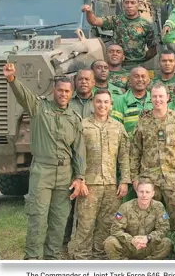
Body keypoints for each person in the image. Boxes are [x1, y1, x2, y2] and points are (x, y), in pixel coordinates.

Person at [3, 62, 87, 260]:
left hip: (65, 174)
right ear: (53, 91)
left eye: (67, 91)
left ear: (71, 93)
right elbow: (23, 96)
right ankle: (32, 260)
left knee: (59, 220)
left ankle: (52, 260)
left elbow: (79, 151)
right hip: (42, 171)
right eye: (60, 91)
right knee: (37, 218)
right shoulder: (39, 108)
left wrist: (80, 176)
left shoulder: (74, 118)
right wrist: (11, 79)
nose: (63, 94)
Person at [68, 89, 130, 260]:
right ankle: (82, 257)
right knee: (85, 224)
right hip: (89, 184)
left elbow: (124, 157)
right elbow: (75, 155)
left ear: (111, 105)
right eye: (99, 101)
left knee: (106, 224)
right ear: (93, 104)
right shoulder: (82, 126)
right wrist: (79, 180)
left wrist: (124, 181)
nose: (102, 105)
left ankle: (100, 258)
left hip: (111, 186)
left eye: (106, 102)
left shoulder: (118, 127)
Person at [131, 84, 175, 231]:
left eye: (161, 96)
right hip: (148, 177)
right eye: (154, 96)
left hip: (172, 177)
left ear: (167, 97)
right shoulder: (143, 121)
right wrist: (134, 176)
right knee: (148, 218)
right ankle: (153, 247)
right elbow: (135, 149)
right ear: (150, 98)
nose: (157, 99)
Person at [103, 178, 172, 260]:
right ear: (137, 192)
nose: (144, 195)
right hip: (129, 246)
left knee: (166, 242)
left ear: (152, 193)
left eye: (147, 192)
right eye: (141, 192)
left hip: (148, 246)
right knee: (110, 242)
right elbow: (115, 229)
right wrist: (131, 240)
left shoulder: (158, 207)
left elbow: (164, 228)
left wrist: (148, 238)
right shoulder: (125, 207)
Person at [82, 0, 157, 68]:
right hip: (118, 66)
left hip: (138, 65)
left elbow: (152, 49)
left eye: (133, 3)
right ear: (123, 5)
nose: (129, 6)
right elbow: (94, 21)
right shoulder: (116, 20)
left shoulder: (146, 25)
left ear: (138, 4)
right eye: (126, 3)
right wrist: (89, 11)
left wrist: (142, 61)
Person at [111, 66, 152, 136]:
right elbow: (115, 128)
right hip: (129, 145)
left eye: (143, 76)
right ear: (129, 80)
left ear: (148, 80)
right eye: (136, 76)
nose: (140, 79)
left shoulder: (155, 99)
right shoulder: (120, 101)